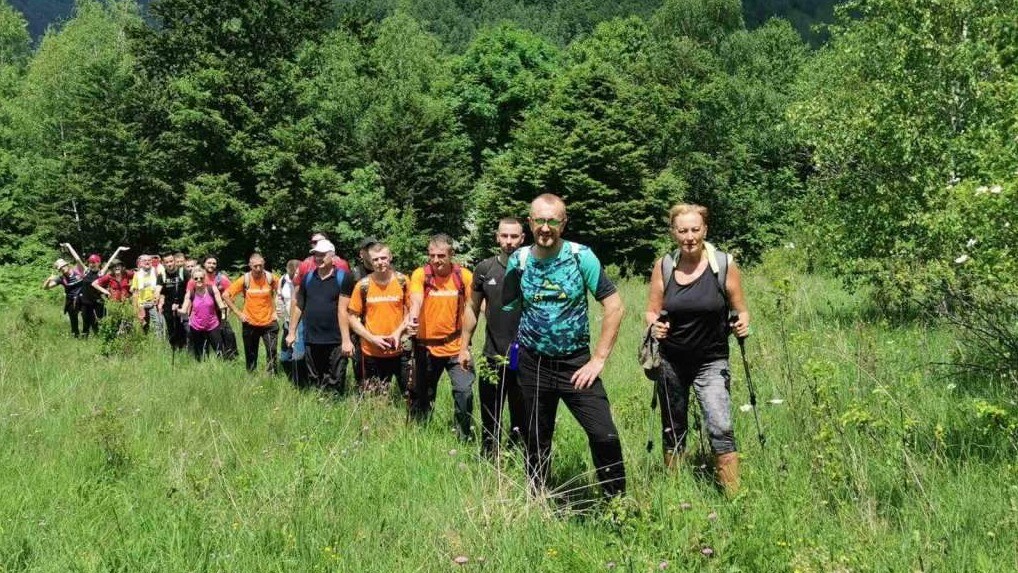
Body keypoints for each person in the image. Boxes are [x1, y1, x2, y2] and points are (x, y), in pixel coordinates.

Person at [501, 194, 627, 498]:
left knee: (604, 434)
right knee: (535, 439)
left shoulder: (580, 256)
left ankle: (617, 506)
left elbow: (615, 306)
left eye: (553, 220)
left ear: (563, 222)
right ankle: (537, 500)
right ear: (530, 222)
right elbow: (506, 306)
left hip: (576, 365)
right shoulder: (519, 260)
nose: (546, 227)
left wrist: (598, 359)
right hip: (533, 364)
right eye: (540, 220)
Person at [645, 203, 749, 495]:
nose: (689, 236)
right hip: (671, 360)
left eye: (694, 229)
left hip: (712, 360)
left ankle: (734, 498)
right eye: (682, 230)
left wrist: (742, 324)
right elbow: (651, 311)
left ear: (705, 230)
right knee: (673, 428)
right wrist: (655, 326)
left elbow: (742, 310)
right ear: (673, 232)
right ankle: (676, 495)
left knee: (721, 425)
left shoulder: (724, 264)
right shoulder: (664, 265)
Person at [459, 218, 527, 458]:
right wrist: (464, 346)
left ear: (523, 238)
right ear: (497, 237)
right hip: (493, 354)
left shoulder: (533, 267)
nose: (509, 242)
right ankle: (489, 458)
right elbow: (472, 308)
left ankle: (517, 455)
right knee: (490, 412)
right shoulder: (484, 269)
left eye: (514, 237)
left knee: (522, 413)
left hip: (524, 355)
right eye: (505, 236)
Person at [407, 234, 475, 440]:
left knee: (464, 392)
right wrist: (413, 316)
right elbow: (416, 299)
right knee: (423, 395)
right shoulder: (421, 274)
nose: (435, 260)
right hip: (426, 348)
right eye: (431, 255)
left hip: (456, 347)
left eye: (441, 256)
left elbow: (473, 308)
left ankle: (464, 438)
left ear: (451, 255)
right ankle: (419, 437)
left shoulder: (464, 276)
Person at [285, 240, 355, 393]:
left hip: (336, 339)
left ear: (333, 256)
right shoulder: (308, 278)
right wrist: (291, 332)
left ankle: (335, 409)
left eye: (322, 255)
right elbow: (298, 305)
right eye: (316, 254)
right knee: (314, 378)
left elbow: (344, 311)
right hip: (312, 339)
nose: (318, 258)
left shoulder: (344, 278)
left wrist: (346, 340)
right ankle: (317, 407)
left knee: (335, 379)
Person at [348, 242, 410, 394]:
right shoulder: (363, 285)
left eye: (383, 258)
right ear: (370, 261)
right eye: (375, 259)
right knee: (375, 398)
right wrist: (371, 338)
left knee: (409, 395)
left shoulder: (403, 281)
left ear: (390, 257)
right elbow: (352, 317)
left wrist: (398, 333)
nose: (380, 262)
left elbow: (411, 312)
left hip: (400, 350)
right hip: (371, 352)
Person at [223, 253, 280, 374]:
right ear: (250, 265)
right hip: (250, 322)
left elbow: (281, 292)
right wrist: (239, 314)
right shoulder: (245, 279)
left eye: (260, 266)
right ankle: (251, 375)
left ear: (264, 264)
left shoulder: (271, 278)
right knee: (250, 352)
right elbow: (226, 295)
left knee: (272, 350)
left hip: (269, 322)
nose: (258, 269)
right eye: (255, 266)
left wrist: (276, 311)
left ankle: (272, 375)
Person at [61, 243, 126, 337]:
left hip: (98, 301)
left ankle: (103, 336)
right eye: (90, 262)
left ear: (98, 263)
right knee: (86, 321)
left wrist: (118, 249)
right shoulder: (86, 271)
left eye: (94, 262)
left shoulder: (101, 273)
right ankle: (84, 338)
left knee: (101, 320)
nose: (92, 264)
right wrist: (69, 246)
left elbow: (110, 260)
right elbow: (77, 259)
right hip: (85, 301)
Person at [186, 256, 237, 359]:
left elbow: (232, 295)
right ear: (204, 264)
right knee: (195, 337)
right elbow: (190, 298)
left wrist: (226, 313)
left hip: (218, 313)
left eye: (214, 263)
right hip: (201, 314)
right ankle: (197, 358)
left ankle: (230, 358)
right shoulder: (195, 279)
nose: (211, 265)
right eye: (209, 263)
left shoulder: (221, 279)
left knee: (228, 334)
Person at [180, 267, 227, 360]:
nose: (199, 280)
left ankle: (222, 368)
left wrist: (223, 313)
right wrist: (177, 309)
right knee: (200, 354)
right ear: (192, 280)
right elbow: (184, 310)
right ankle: (201, 369)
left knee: (219, 351)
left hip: (213, 324)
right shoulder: (190, 293)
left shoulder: (212, 289)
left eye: (201, 278)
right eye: (196, 278)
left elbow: (220, 303)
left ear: (204, 278)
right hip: (196, 326)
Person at [350, 236, 378, 387]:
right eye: (368, 249)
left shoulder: (389, 272)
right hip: (360, 330)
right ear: (362, 254)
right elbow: (345, 307)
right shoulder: (354, 275)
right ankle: (363, 397)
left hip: (383, 327)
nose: (372, 253)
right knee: (361, 367)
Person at [43, 257, 86, 337]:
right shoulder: (61, 278)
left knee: (86, 317)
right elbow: (45, 288)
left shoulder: (78, 271)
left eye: (63, 266)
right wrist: (49, 279)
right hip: (70, 301)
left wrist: (69, 247)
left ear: (67, 265)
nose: (62, 269)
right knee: (73, 320)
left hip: (82, 298)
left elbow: (78, 259)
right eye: (60, 268)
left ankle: (85, 335)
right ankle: (76, 337)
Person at [277, 259, 302, 381]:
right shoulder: (283, 280)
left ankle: (299, 382)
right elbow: (280, 297)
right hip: (287, 322)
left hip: (301, 323)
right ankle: (291, 379)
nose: (294, 276)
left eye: (297, 273)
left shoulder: (305, 281)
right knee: (284, 357)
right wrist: (279, 309)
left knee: (298, 356)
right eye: (292, 273)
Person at [131, 254, 164, 336]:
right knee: (143, 324)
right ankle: (144, 341)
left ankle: (159, 343)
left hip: (153, 302)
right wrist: (135, 307)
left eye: (149, 260)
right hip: (141, 303)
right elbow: (135, 292)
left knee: (157, 323)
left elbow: (160, 287)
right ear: (140, 263)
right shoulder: (137, 274)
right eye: (144, 260)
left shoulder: (156, 272)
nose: (147, 262)